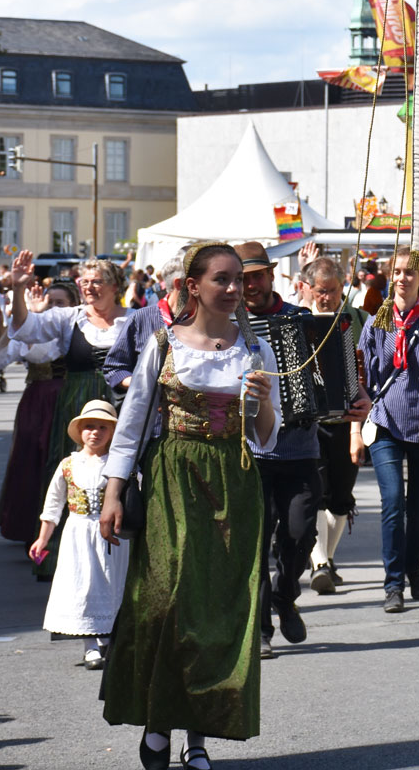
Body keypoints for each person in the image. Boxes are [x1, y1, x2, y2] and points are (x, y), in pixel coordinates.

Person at [98, 241, 281, 770]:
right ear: (193, 285)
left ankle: (198, 734)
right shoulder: (163, 343)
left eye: (237, 280)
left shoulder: (254, 349)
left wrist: (263, 401)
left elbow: (266, 440)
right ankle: (158, 721)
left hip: (234, 482)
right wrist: (113, 495)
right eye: (220, 279)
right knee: (168, 601)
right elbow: (131, 424)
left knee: (218, 613)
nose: (232, 289)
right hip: (171, 478)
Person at [8, 251, 130, 579]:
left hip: (121, 405)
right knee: (71, 475)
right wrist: (19, 290)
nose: (89, 287)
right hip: (76, 404)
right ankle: (60, 555)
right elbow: (24, 329)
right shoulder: (70, 318)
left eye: (96, 282)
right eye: (84, 282)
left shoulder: (133, 319)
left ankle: (121, 552)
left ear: (115, 285)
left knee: (121, 475)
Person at [354, 248, 419, 613]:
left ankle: (415, 569)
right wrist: (357, 431)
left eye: (409, 272)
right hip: (385, 424)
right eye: (397, 272)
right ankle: (393, 584)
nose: (403, 278)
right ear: (390, 277)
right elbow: (362, 380)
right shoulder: (375, 324)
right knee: (392, 504)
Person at [230, 240, 318, 659]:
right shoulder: (227, 325)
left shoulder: (298, 319)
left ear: (271, 275)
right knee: (256, 541)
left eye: (256, 276)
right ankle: (261, 629)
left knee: (300, 534)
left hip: (300, 447)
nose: (250, 286)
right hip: (250, 453)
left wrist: (351, 395)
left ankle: (286, 594)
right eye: (242, 279)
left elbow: (329, 375)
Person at [30, 399, 131, 670]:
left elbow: (137, 497)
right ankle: (90, 647)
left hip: (111, 535)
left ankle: (108, 637)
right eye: (89, 427)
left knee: (111, 584)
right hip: (78, 534)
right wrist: (43, 538)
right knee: (82, 585)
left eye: (102, 427)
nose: (94, 432)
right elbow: (53, 504)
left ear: (112, 432)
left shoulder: (121, 465)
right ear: (80, 431)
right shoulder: (68, 464)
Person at [301, 255, 371, 595]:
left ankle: (325, 560)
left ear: (341, 287)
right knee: (315, 493)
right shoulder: (299, 322)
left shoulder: (358, 320)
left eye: (331, 290)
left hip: (347, 421)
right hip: (310, 423)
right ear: (310, 290)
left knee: (341, 497)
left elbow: (367, 371)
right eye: (319, 291)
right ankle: (320, 564)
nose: (325, 297)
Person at [0, 284, 71, 544]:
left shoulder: (77, 329)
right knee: (32, 460)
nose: (54, 308)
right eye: (51, 303)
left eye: (61, 303)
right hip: (38, 401)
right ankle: (33, 526)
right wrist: (5, 330)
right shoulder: (39, 329)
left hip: (70, 399)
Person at [103, 256, 184, 395]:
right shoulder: (141, 319)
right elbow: (115, 369)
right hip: (152, 412)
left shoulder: (215, 322)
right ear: (180, 284)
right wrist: (145, 384)